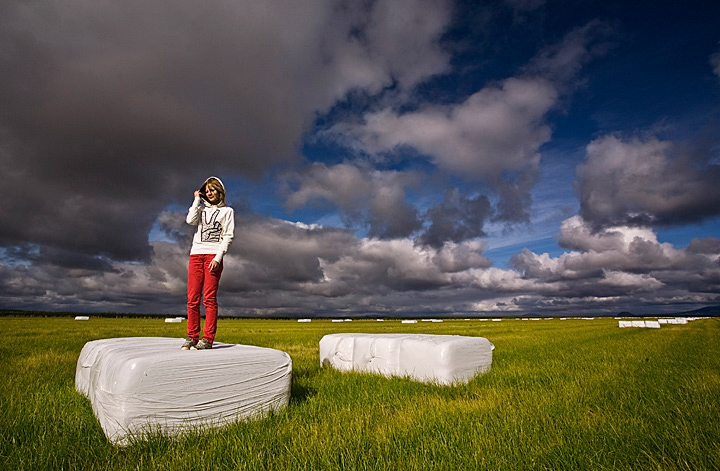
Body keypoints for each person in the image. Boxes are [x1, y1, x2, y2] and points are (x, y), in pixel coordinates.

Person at [181, 176, 235, 350]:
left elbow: (228, 236)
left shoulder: (228, 211)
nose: (210, 193)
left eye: (213, 190)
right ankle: (192, 337)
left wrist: (218, 258)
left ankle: (208, 338)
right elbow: (190, 220)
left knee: (209, 299)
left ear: (220, 191)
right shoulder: (201, 209)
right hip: (196, 255)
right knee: (192, 299)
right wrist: (196, 199)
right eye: (207, 190)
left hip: (213, 256)